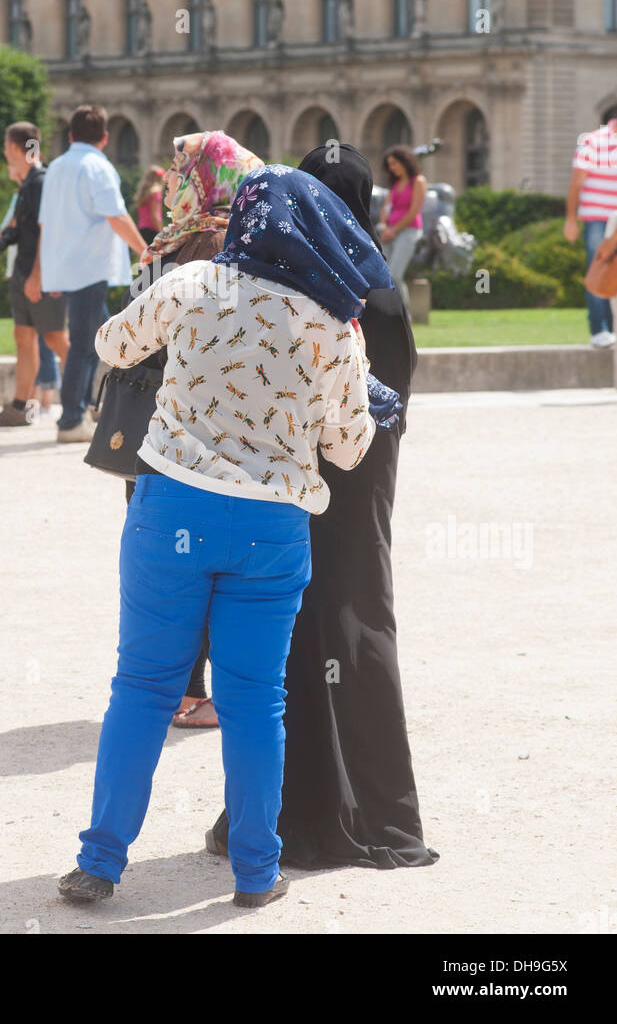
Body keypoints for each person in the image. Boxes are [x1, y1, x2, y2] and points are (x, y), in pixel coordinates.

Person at [58, 165, 394, 910]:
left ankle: (99, 862)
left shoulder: (195, 284)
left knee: (141, 690)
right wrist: (366, 400)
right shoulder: (330, 322)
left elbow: (113, 346)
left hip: (173, 506)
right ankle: (253, 871)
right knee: (253, 701)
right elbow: (348, 450)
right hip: (272, 525)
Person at [206, 144, 438, 870]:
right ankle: (378, 812)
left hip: (299, 486)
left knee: (296, 643)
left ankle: (294, 812)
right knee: (361, 628)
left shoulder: (302, 285)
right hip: (364, 491)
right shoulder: (380, 285)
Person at [127, 130, 263, 730]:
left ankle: (176, 689)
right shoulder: (262, 242)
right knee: (233, 574)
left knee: (165, 572)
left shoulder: (168, 250)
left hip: (164, 433)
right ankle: (226, 696)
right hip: (247, 433)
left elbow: (128, 343)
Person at [33, 105, 146, 444]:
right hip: (89, 267)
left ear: (70, 135)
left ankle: (92, 405)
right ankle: (71, 418)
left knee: (104, 336)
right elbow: (117, 215)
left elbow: (46, 222)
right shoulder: (98, 166)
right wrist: (146, 250)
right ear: (105, 137)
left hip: (65, 266)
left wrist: (46, 271)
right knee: (86, 344)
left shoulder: (55, 168)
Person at [0, 123, 69, 427]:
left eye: (7, 146)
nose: (5, 152)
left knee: (57, 338)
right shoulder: (28, 183)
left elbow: (50, 230)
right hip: (25, 270)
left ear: (16, 148)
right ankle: (21, 407)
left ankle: (84, 404)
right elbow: (28, 227)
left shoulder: (41, 182)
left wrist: (38, 275)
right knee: (24, 337)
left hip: (39, 273)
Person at [564, 114, 617, 348]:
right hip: (597, 219)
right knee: (599, 269)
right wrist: (571, 219)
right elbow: (576, 182)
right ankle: (600, 330)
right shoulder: (593, 141)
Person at [378, 145, 427, 308]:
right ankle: (386, 311)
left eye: (395, 163)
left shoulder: (418, 181)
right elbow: (386, 207)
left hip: (409, 231)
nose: (392, 168)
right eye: (389, 165)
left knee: (395, 274)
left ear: (405, 162)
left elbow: (414, 211)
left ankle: (404, 314)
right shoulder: (395, 183)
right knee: (381, 272)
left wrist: (394, 230)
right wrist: (384, 226)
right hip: (390, 232)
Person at [134, 165, 165, 244]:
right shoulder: (156, 192)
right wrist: (161, 232)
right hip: (152, 230)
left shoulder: (143, 192)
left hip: (142, 229)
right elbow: (154, 215)